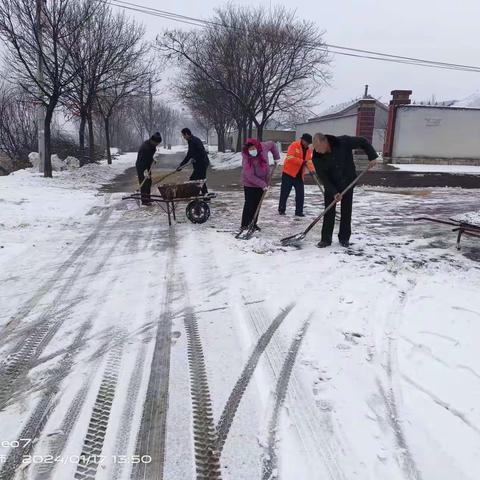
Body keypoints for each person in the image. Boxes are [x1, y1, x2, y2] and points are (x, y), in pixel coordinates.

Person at [311, 133, 378, 248]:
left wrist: (372, 156)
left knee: (346, 210)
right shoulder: (316, 157)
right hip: (331, 184)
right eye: (315, 148)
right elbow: (323, 177)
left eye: (318, 147)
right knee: (329, 210)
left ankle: (344, 238)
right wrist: (333, 192)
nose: (316, 150)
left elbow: (363, 141)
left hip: (347, 181)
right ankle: (326, 239)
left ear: (325, 141)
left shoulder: (342, 142)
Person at [241, 138, 280, 230]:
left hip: (262, 181)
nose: (252, 151)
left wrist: (276, 157)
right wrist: (262, 184)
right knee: (249, 204)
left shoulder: (264, 146)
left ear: (257, 146)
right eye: (250, 150)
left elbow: (272, 144)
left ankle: (253, 223)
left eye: (253, 149)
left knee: (257, 203)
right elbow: (249, 175)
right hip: (249, 183)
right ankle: (245, 224)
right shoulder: (247, 157)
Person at [278, 133, 315, 217]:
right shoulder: (294, 145)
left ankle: (299, 211)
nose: (307, 144)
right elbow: (290, 158)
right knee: (285, 193)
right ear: (302, 140)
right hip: (288, 173)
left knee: (300, 194)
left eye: (309, 143)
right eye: (307, 142)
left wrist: (312, 170)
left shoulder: (308, 149)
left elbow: (309, 161)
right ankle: (281, 209)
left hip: (299, 175)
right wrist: (302, 161)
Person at [177, 128, 210, 194]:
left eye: (183, 136)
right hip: (199, 164)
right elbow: (189, 154)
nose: (183, 137)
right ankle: (202, 195)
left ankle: (200, 195)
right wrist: (181, 165)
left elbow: (201, 151)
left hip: (202, 163)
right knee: (198, 180)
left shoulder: (194, 141)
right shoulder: (191, 140)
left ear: (186, 134)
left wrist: (194, 158)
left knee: (197, 180)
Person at [136, 132, 162, 205]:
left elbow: (149, 156)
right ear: (153, 140)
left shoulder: (151, 145)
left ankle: (147, 197)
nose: (157, 145)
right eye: (157, 143)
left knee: (149, 182)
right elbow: (142, 160)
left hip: (147, 165)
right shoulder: (145, 147)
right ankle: (145, 201)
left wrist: (152, 160)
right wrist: (145, 171)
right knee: (144, 183)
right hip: (141, 166)